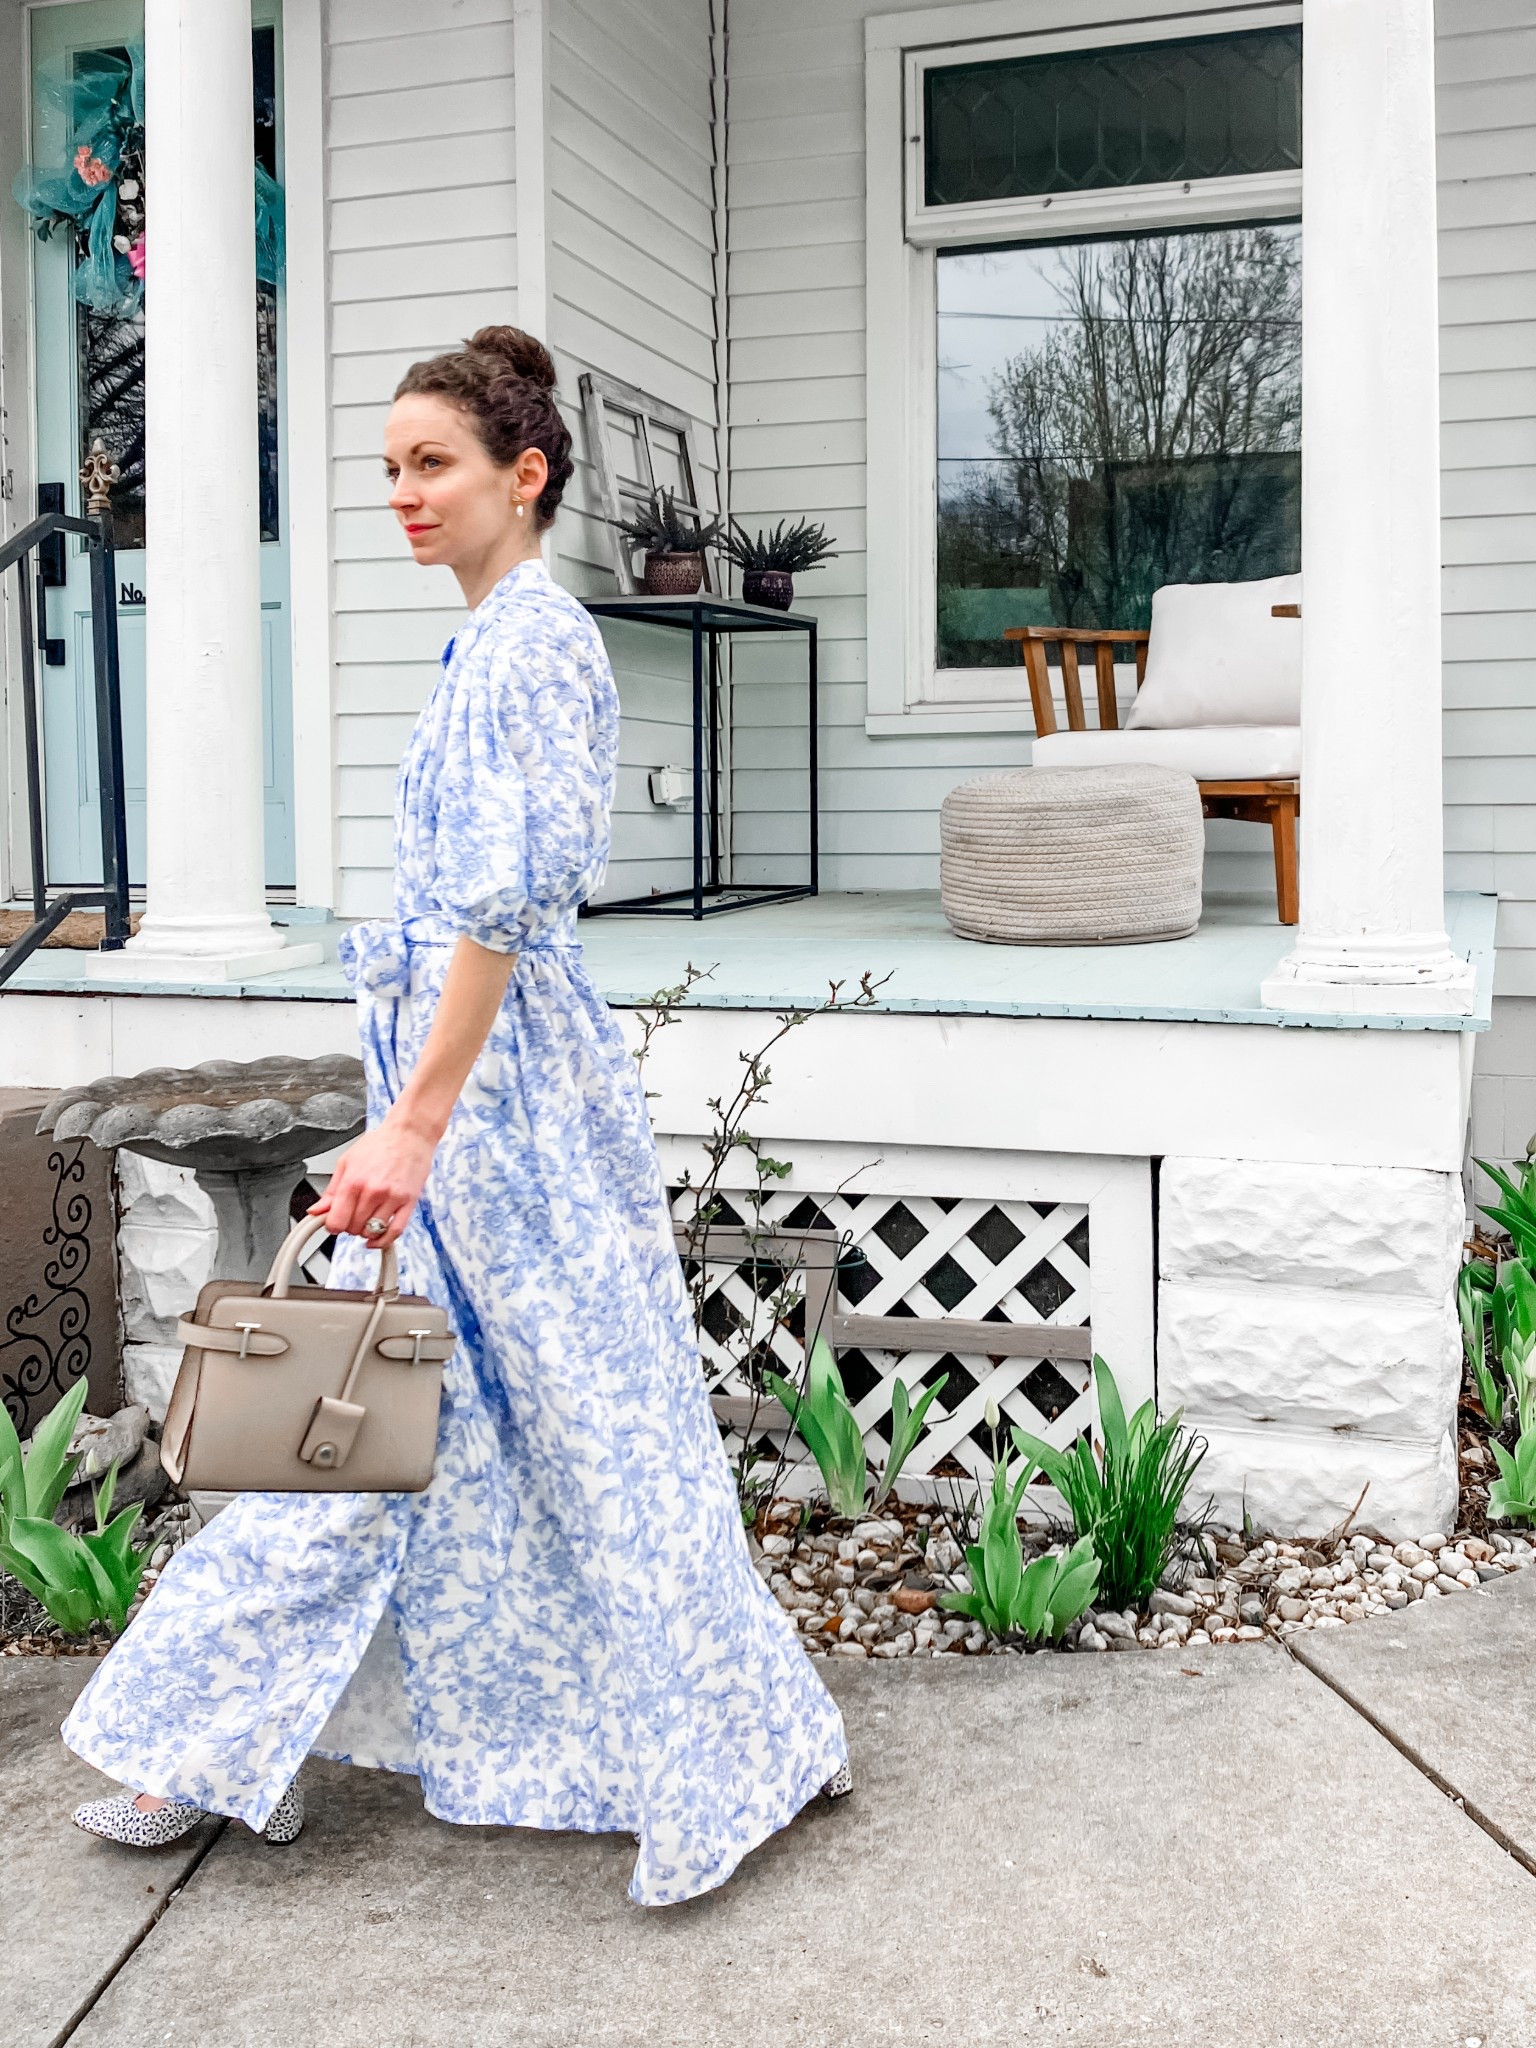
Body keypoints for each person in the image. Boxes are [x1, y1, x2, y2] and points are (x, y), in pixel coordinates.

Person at [64, 326, 850, 1906]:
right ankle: (221, 1745)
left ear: (523, 475)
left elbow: (503, 906)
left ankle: (730, 1741)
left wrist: (413, 1121)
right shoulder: (489, 640)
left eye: (434, 466)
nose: (405, 496)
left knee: (561, 1423)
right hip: (465, 1084)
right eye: (390, 472)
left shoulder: (540, 641)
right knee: (395, 1418)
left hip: (501, 1107)